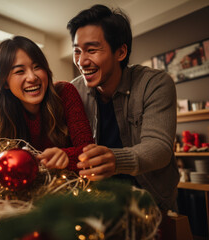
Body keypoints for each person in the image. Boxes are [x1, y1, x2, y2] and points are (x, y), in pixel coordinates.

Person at [67, 4, 179, 211]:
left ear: (120, 52)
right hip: (97, 203)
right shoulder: (74, 90)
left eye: (91, 50)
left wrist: (116, 159)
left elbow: (159, 147)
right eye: (77, 51)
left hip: (152, 201)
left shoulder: (155, 83)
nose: (81, 61)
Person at [0, 36, 94, 172]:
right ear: (5, 82)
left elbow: (89, 153)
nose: (32, 77)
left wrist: (66, 157)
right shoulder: (3, 113)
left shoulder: (65, 93)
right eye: (20, 71)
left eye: (37, 67)